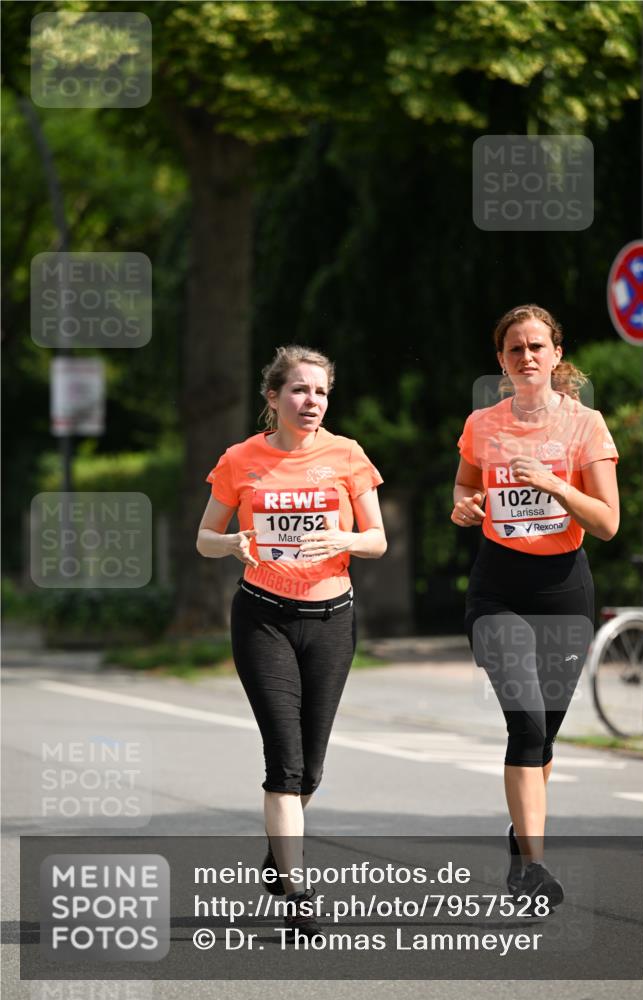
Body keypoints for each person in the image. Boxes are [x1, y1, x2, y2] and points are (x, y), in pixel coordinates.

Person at [197, 345, 386, 936]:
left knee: (311, 770)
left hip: (332, 619)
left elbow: (377, 539)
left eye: (322, 392)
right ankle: (299, 889)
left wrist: (342, 539)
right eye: (301, 390)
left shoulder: (348, 456)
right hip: (264, 618)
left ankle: (280, 855)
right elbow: (205, 536)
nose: (312, 402)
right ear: (273, 397)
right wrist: (232, 544)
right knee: (284, 761)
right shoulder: (240, 460)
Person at [451, 304, 619, 909]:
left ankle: (522, 853)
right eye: (515, 349)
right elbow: (466, 485)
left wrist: (555, 485)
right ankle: (538, 867)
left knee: (542, 735)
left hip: (563, 591)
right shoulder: (482, 424)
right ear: (501, 360)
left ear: (556, 355)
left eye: (537, 347)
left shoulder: (586, 425)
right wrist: (464, 506)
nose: (527, 357)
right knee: (523, 720)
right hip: (497, 588)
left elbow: (606, 523)